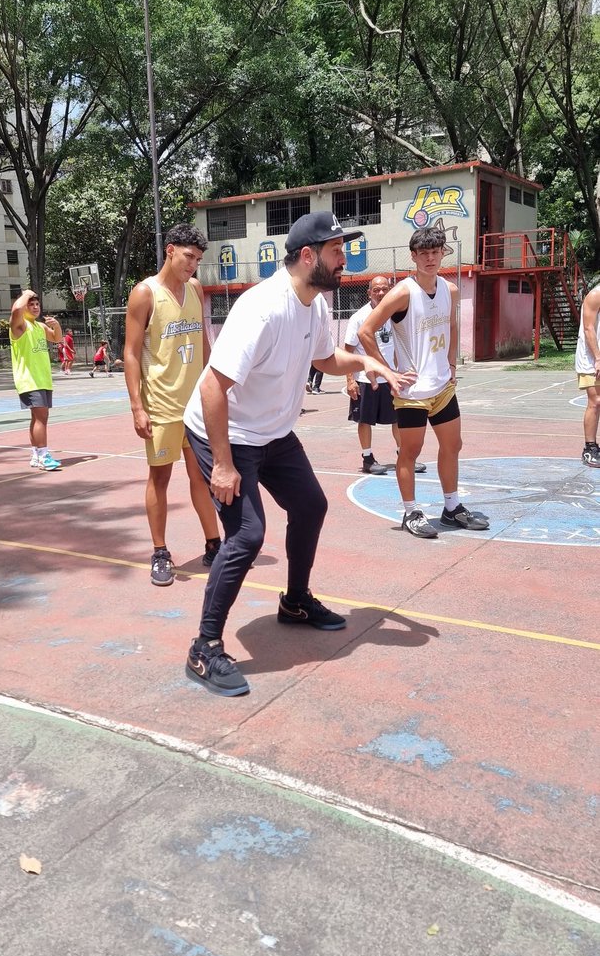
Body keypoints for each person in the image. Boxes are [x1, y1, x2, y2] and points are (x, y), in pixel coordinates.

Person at [182, 211, 415, 697]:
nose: (344, 258)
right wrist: (222, 463)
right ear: (308, 256)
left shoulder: (315, 305)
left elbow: (326, 360)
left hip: (272, 434)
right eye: (336, 250)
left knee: (311, 505)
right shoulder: (262, 308)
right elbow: (211, 386)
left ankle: (295, 602)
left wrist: (369, 360)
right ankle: (204, 647)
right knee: (247, 535)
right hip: (224, 433)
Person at [358, 227, 489, 539]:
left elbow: (452, 325)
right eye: (423, 253)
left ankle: (452, 507)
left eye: (435, 252)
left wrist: (452, 362)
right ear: (413, 256)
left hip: (442, 386)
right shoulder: (403, 292)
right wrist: (388, 370)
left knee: (452, 445)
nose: (430, 258)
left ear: (443, 252)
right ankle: (411, 512)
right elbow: (366, 330)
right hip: (412, 391)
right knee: (410, 452)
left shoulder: (450, 290)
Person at [124, 223, 221, 587]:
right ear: (170, 250)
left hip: (194, 405)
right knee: (160, 478)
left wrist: (214, 385)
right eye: (188, 257)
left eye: (197, 259)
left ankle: (214, 543)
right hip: (161, 405)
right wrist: (137, 406)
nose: (193, 265)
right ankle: (160, 551)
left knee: (202, 476)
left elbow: (205, 344)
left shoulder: (195, 289)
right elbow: (131, 354)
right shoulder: (144, 294)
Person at [345, 274, 427, 476]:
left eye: (384, 289)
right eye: (376, 290)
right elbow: (347, 351)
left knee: (398, 418)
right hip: (366, 379)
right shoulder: (359, 317)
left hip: (391, 378)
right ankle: (368, 458)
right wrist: (350, 380)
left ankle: (404, 455)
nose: (381, 293)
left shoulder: (395, 315)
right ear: (369, 293)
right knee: (365, 420)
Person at [9, 289, 62, 471]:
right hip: (29, 380)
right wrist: (26, 294)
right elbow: (16, 310)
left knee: (37, 418)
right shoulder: (20, 326)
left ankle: (36, 455)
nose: (35, 307)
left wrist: (57, 326)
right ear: (24, 306)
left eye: (37, 304)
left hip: (43, 379)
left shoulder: (39, 326)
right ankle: (44, 455)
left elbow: (56, 338)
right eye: (31, 304)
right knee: (42, 418)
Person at [575, 283, 600, 467]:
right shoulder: (595, 295)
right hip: (591, 358)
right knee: (596, 401)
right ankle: (590, 448)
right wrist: (598, 358)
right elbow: (588, 328)